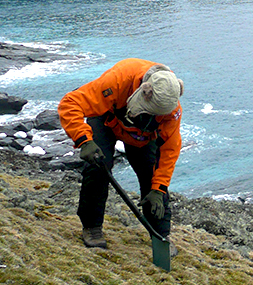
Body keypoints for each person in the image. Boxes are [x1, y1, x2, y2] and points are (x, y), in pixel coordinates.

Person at [58, 58, 183, 250]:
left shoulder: (171, 106)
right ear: (144, 90)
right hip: (106, 120)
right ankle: (92, 227)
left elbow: (169, 151)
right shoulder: (118, 80)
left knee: (153, 179)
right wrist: (83, 140)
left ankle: (160, 235)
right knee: (98, 167)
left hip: (142, 136)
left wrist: (159, 189)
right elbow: (70, 103)